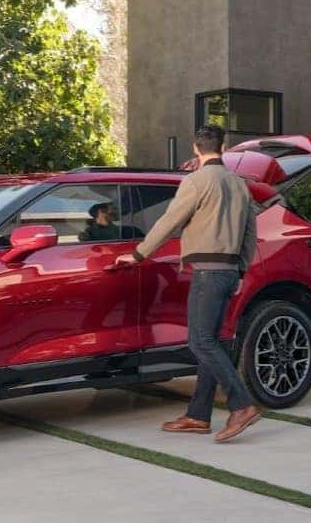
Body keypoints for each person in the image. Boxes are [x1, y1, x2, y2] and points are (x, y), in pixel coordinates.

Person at [115, 125, 260, 443]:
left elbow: (170, 220)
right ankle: (198, 415)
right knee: (211, 341)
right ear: (225, 146)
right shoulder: (239, 184)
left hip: (207, 273)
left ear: (196, 149)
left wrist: (138, 254)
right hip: (227, 272)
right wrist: (241, 271)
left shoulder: (195, 181)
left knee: (200, 342)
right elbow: (250, 233)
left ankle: (242, 405)